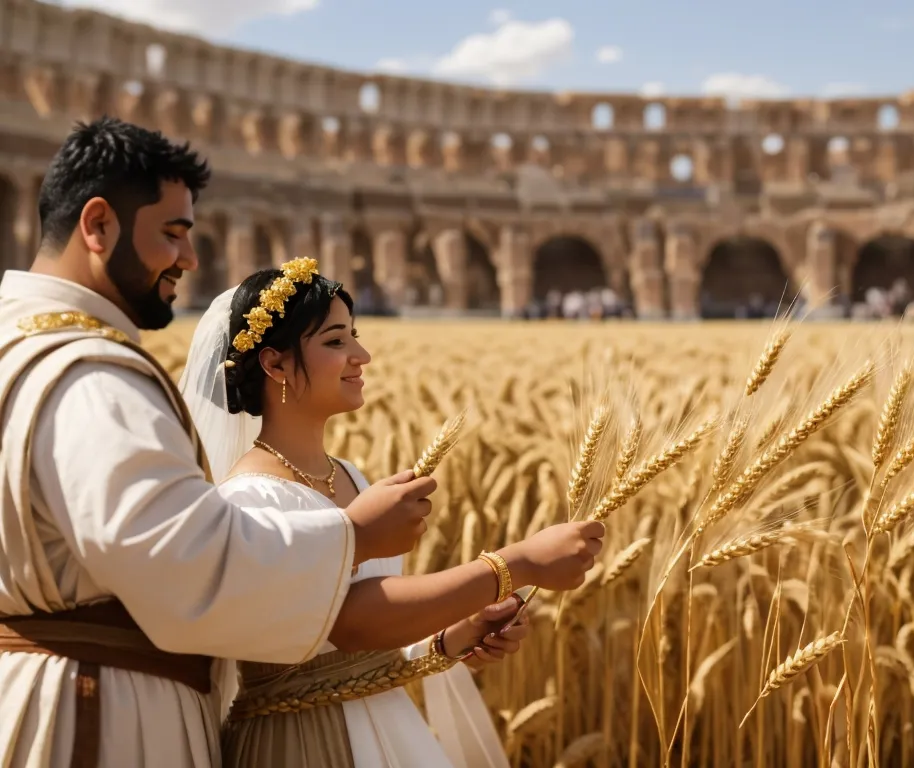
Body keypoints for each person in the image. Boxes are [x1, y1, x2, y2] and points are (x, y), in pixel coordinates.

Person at [0, 116, 605, 768]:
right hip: (99, 714)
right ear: (98, 226)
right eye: (172, 234)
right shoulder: (89, 371)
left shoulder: (34, 349)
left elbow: (319, 648)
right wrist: (390, 546)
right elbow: (179, 564)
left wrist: (441, 640)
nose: (191, 258)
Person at [178, 262, 589, 767]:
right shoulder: (252, 499)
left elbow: (359, 649)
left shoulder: (351, 476)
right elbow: (350, 621)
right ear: (275, 365)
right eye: (335, 342)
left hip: (382, 726)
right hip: (307, 743)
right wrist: (510, 567)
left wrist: (450, 636)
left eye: (355, 336)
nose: (362, 356)